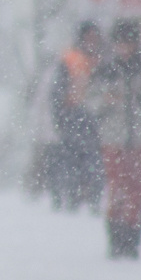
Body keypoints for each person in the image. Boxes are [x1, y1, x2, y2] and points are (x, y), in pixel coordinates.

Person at [90, 20, 141, 259]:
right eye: (120, 43)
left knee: (138, 192)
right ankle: (116, 240)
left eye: (128, 42)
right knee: (118, 190)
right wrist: (106, 101)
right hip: (114, 137)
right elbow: (91, 100)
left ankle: (132, 241)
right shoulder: (105, 68)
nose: (124, 48)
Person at [49, 22, 105, 212]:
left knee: (94, 160)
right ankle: (72, 196)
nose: (92, 42)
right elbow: (57, 91)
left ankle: (93, 197)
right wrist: (61, 116)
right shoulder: (70, 59)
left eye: (94, 38)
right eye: (88, 38)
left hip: (97, 117)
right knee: (73, 159)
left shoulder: (103, 60)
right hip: (73, 116)